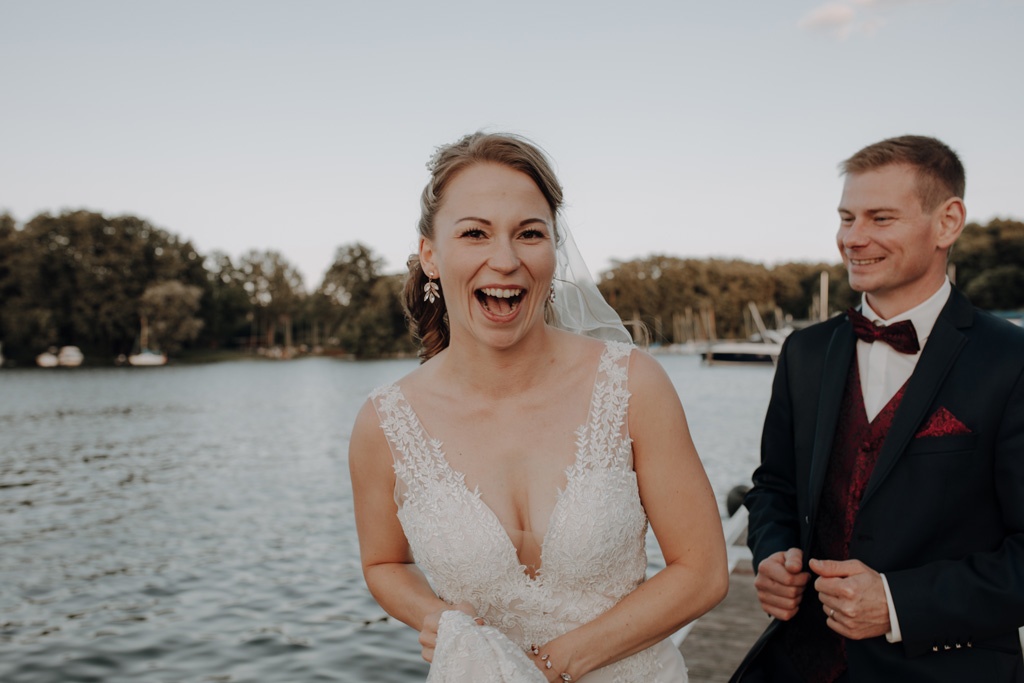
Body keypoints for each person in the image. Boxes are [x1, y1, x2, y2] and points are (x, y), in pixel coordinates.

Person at [349, 132, 728, 682]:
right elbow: (384, 564)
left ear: (554, 248)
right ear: (431, 254)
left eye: (529, 234)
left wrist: (548, 667)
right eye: (474, 233)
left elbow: (703, 571)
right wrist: (436, 617)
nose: (504, 260)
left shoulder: (632, 384)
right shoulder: (383, 423)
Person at [731, 135, 1024, 682]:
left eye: (880, 218)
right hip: (798, 666)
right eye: (846, 218)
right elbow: (774, 486)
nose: (853, 239)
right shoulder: (805, 352)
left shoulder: (1011, 361)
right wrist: (775, 553)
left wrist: (896, 602)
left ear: (948, 223)